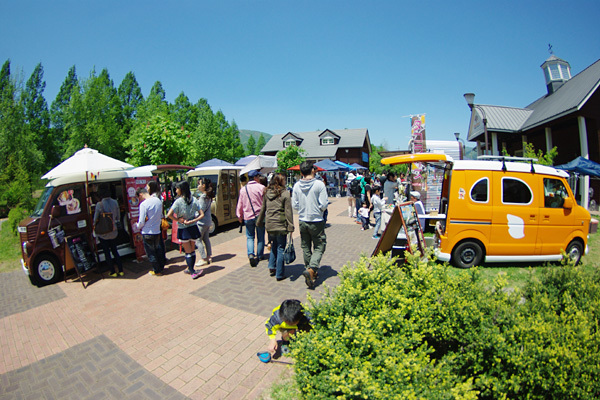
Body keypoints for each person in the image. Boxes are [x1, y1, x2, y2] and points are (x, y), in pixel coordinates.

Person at [292, 161, 328, 289]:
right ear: (313, 170)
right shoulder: (319, 185)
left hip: (302, 219)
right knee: (320, 245)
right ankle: (312, 269)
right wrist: (318, 209)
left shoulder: (296, 186)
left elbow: (294, 205)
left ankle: (310, 271)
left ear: (301, 172)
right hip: (316, 219)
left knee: (306, 246)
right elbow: (324, 204)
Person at [257, 173, 294, 281]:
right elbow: (288, 212)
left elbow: (263, 209)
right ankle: (279, 273)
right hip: (280, 224)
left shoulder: (266, 193)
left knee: (274, 245)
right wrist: (291, 227)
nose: (285, 182)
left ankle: (272, 266)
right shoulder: (285, 194)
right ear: (280, 181)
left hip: (269, 224)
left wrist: (259, 222)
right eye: (284, 180)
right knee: (281, 248)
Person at [166, 181, 204, 279]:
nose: (176, 190)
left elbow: (169, 215)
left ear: (181, 189)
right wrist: (193, 221)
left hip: (183, 229)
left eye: (177, 188)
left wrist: (178, 220)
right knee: (192, 250)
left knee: (187, 252)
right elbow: (201, 214)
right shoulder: (194, 199)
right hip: (193, 227)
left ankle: (192, 271)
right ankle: (191, 268)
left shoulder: (178, 202)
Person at [135, 181, 166, 276]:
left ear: (141, 194)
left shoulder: (144, 204)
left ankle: (156, 270)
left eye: (139, 197)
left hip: (147, 231)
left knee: (151, 252)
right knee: (158, 250)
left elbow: (141, 222)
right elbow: (161, 215)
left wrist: (136, 226)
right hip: (157, 230)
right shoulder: (158, 200)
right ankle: (161, 267)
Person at [236, 170, 266, 267]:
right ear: (256, 177)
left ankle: (251, 254)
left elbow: (240, 204)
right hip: (260, 217)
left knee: (250, 237)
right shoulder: (262, 188)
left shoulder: (243, 189)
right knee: (260, 237)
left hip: (248, 216)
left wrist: (239, 216)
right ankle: (260, 255)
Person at [93, 183, 123, 277]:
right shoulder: (115, 202)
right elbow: (118, 216)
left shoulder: (99, 204)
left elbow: (95, 220)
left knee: (107, 253)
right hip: (114, 231)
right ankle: (121, 270)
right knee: (115, 251)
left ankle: (113, 271)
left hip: (104, 233)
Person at [195, 178, 215, 267]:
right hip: (208, 221)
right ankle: (209, 256)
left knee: (198, 240)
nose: (198, 186)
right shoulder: (208, 196)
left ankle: (203, 258)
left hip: (202, 222)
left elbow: (201, 210)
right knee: (206, 239)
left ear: (203, 185)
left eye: (199, 184)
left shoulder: (203, 197)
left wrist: (194, 215)